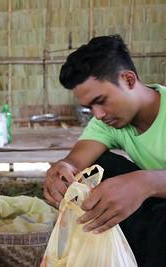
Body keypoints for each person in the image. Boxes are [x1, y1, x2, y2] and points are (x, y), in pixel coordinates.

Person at [44, 34, 166, 267]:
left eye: (101, 100)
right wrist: (61, 171)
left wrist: (145, 182)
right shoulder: (108, 123)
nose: (98, 114)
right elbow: (76, 162)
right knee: (96, 169)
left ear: (129, 80)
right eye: (90, 107)